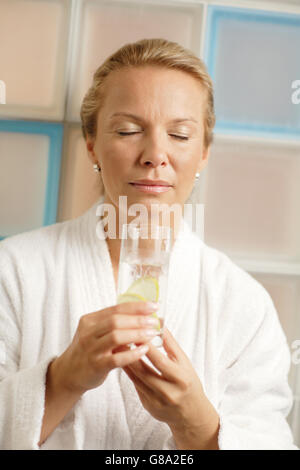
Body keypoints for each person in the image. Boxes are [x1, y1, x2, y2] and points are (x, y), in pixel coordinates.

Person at [0, 38, 298, 450]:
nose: (155, 154)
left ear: (204, 152)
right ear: (92, 145)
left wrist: (197, 424)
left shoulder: (243, 304)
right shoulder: (13, 271)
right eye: (128, 130)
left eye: (179, 134)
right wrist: (62, 379)